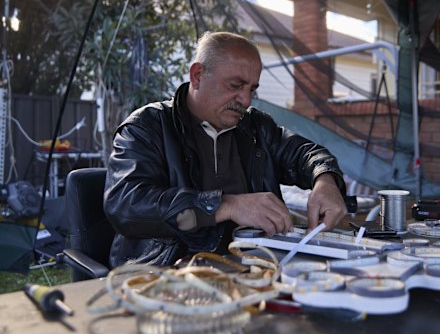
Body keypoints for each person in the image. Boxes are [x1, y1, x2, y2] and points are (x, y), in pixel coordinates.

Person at [104, 31, 352, 267]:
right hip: (167, 273)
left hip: (254, 267)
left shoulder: (255, 127)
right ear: (198, 75)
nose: (245, 100)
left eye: (252, 89)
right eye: (235, 85)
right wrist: (227, 205)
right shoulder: (147, 127)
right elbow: (126, 205)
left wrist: (326, 180)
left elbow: (305, 153)